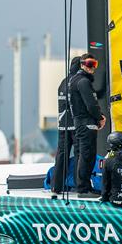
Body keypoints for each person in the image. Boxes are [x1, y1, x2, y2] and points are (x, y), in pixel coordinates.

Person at [69, 53, 106, 198]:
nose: (92, 68)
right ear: (82, 64)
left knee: (84, 156)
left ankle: (84, 187)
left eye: (94, 64)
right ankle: (83, 190)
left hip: (82, 123)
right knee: (87, 156)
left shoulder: (77, 80)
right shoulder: (83, 82)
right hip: (86, 124)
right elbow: (91, 105)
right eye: (90, 64)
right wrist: (100, 118)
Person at [51, 56, 81, 195]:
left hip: (62, 125)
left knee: (61, 154)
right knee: (79, 154)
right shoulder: (77, 82)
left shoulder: (62, 83)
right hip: (75, 125)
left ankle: (56, 186)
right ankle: (78, 184)